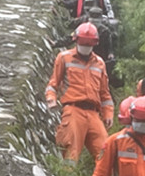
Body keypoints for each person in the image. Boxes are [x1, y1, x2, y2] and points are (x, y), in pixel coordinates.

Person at [45, 22, 114, 162]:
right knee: (70, 154)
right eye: (84, 43)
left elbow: (104, 93)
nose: (86, 47)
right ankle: (67, 175)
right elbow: (53, 84)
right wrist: (51, 99)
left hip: (94, 113)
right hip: (73, 110)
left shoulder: (100, 63)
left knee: (106, 154)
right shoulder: (64, 58)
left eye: (89, 44)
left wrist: (108, 113)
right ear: (76, 41)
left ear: (94, 43)